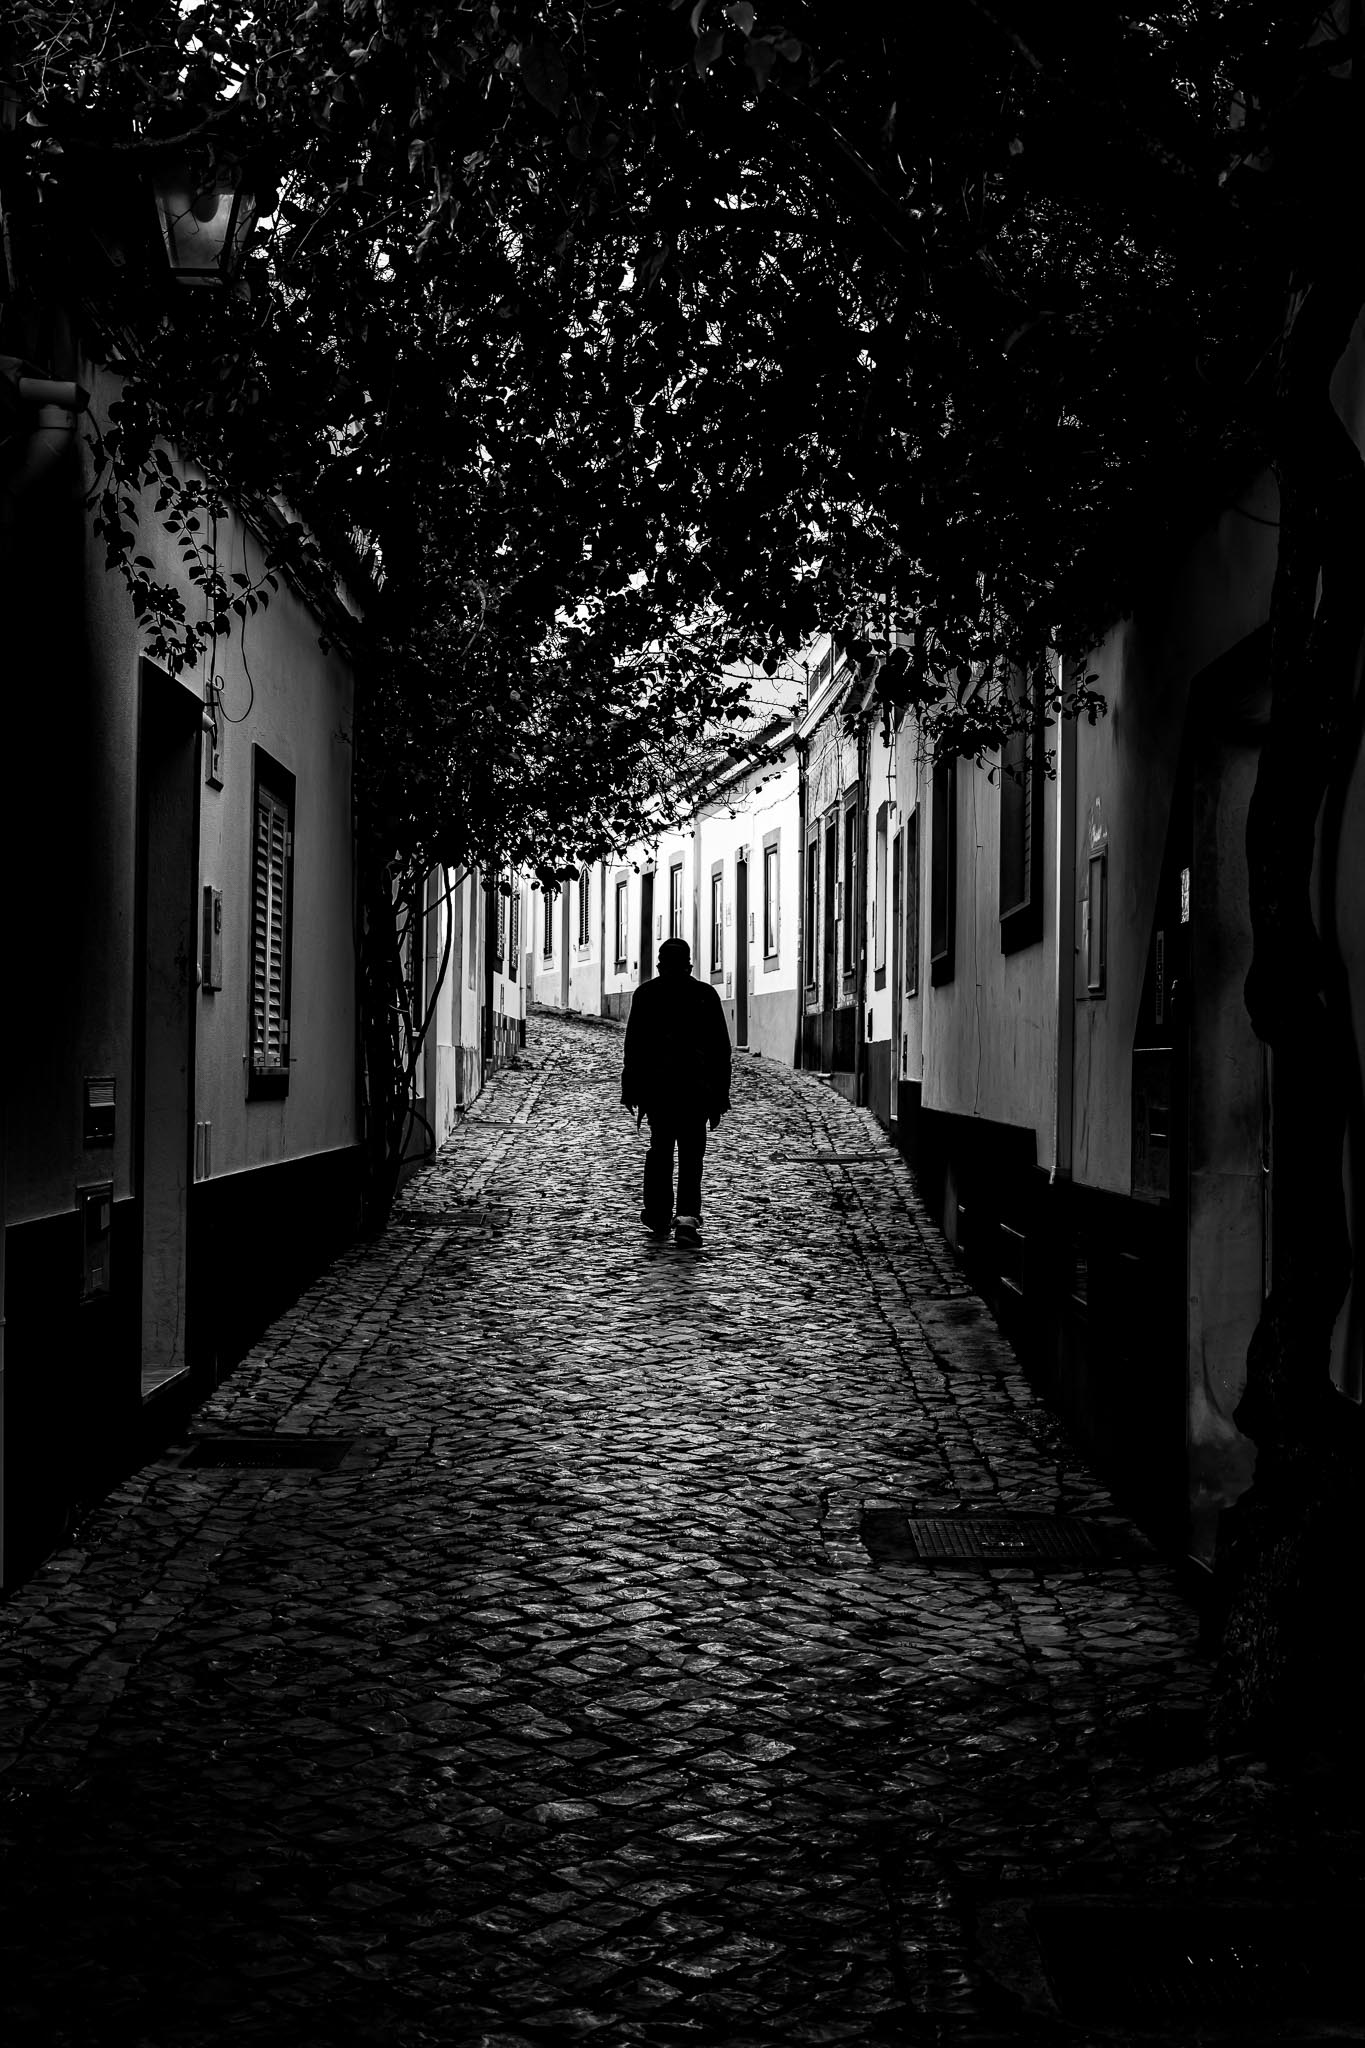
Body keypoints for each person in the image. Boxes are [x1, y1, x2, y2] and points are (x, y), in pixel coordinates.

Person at [621, 936, 732, 1244]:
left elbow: (634, 1047)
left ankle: (658, 1214)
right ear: (690, 965)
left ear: (659, 965)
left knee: (660, 1153)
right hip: (696, 1091)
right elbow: (721, 1050)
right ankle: (685, 1220)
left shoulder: (646, 994)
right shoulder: (704, 995)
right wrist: (720, 1096)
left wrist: (631, 1088)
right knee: (692, 1156)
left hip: (659, 1092)